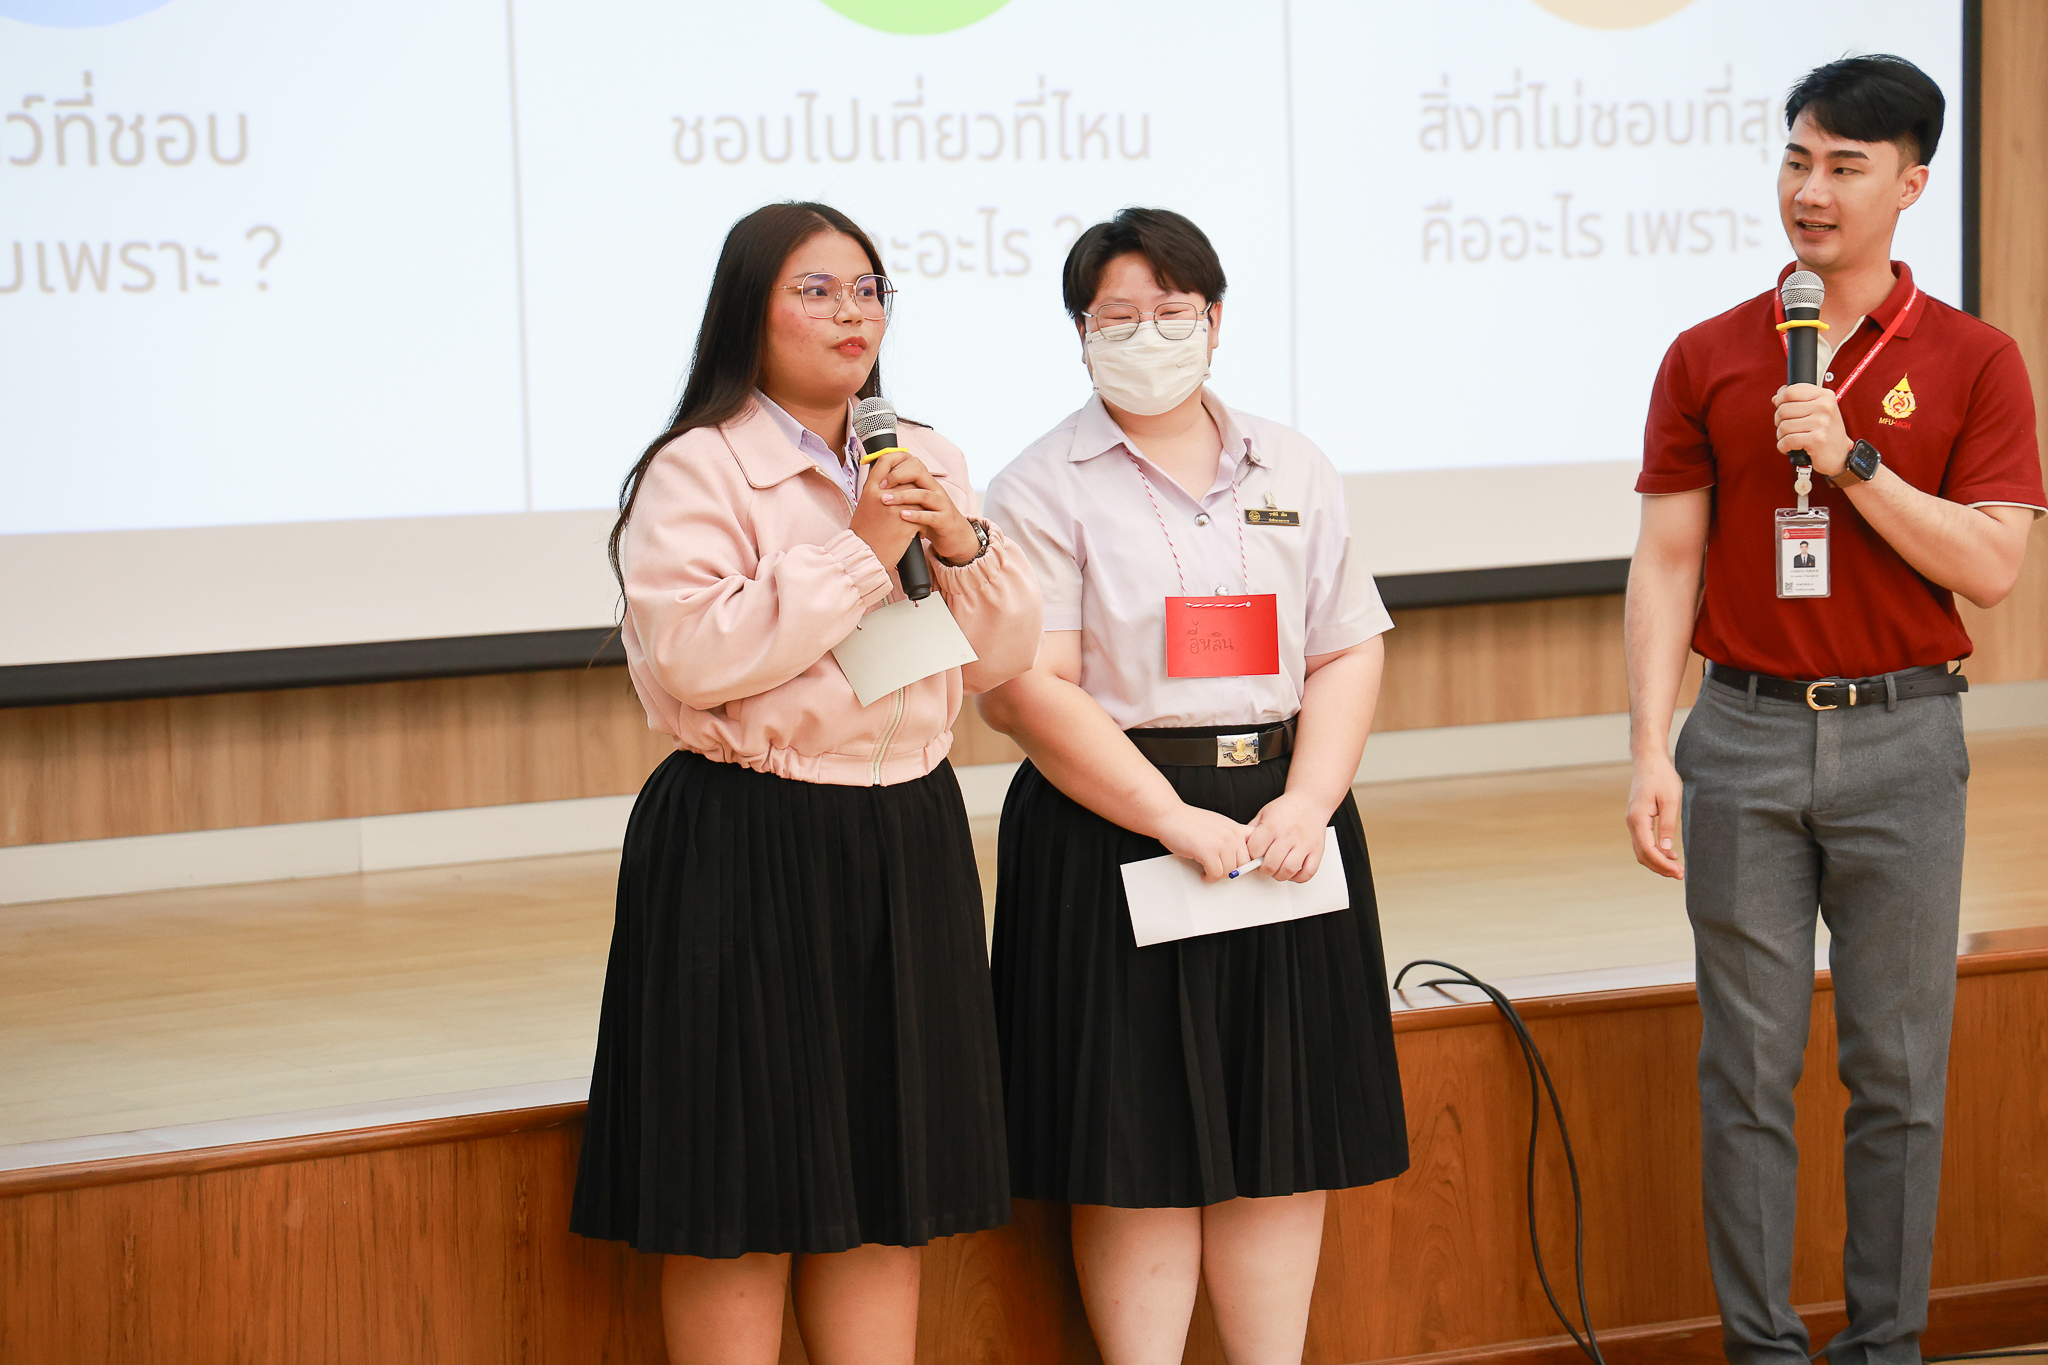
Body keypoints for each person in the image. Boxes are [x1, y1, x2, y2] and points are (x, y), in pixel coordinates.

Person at [570, 201, 1042, 1365]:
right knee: (739, 1193)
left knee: (887, 1186)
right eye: (817, 290)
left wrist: (962, 546)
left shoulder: (922, 455)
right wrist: (864, 547)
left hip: (907, 833)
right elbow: (696, 654)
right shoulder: (698, 466)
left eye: (868, 290)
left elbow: (998, 660)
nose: (851, 314)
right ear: (749, 311)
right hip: (749, 833)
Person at [1624, 56, 2043, 1365]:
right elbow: (1666, 562)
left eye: (1844, 167)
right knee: (1743, 1074)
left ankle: (1884, 1348)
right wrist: (1646, 746)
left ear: (1910, 184)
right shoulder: (1707, 353)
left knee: (1898, 1077)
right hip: (1739, 737)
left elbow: (1992, 565)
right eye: (1796, 159)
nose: (1810, 190)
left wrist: (1850, 460)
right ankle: (1761, 1351)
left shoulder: (1973, 359)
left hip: (1904, 740)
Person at [979, 207, 1408, 1365]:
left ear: (1215, 321)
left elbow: (1346, 646)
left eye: (1170, 313)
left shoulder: (1291, 463)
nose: (1146, 336)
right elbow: (1025, 687)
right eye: (1115, 318)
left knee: (1283, 1136)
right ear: (1079, 334)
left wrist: (1308, 801)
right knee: (1136, 1148)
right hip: (1111, 823)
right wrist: (1165, 816)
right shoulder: (1038, 485)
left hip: (1280, 820)